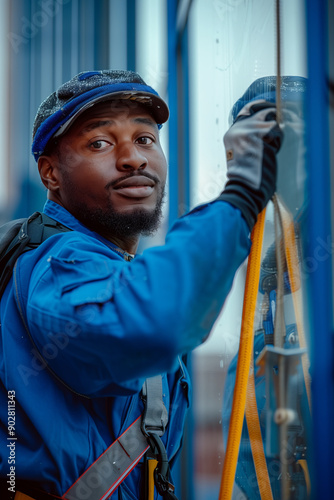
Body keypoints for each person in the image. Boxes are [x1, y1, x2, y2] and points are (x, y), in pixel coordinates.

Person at [0, 69, 282, 500]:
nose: (134, 158)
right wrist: (240, 195)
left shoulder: (103, 264)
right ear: (50, 173)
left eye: (145, 139)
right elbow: (155, 320)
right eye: (100, 143)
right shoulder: (60, 263)